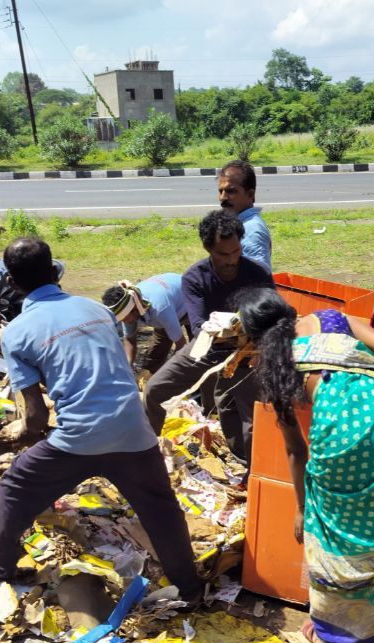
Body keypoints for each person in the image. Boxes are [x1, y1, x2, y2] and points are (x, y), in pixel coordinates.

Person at [0, 237, 202, 600]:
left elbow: (35, 417)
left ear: (11, 281)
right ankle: (190, 589)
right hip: (134, 429)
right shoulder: (96, 310)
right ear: (54, 270)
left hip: (78, 439)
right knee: (161, 510)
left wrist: (19, 433)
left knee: (14, 489)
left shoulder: (17, 332)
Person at [238, 288, 374, 643]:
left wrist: (303, 510)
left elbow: (296, 451)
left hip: (343, 445)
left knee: (335, 535)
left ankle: (333, 636)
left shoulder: (276, 367)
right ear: (289, 310)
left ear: (254, 336)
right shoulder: (332, 319)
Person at [142, 210, 274, 463]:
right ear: (208, 249)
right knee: (155, 390)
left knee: (247, 413)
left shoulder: (256, 274)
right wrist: (227, 326)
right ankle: (147, 459)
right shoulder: (194, 277)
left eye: (236, 252)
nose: (232, 260)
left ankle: (250, 469)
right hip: (208, 346)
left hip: (249, 350)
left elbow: (271, 315)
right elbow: (199, 325)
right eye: (224, 254)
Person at [102, 273, 188, 375]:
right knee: (156, 353)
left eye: (124, 319)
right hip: (169, 307)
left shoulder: (160, 309)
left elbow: (181, 345)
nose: (123, 322)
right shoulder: (131, 306)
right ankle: (150, 376)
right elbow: (130, 339)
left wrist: (170, 374)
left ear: (134, 309)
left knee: (199, 349)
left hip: (192, 301)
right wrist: (128, 368)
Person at [218, 160, 272, 272]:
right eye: (220, 191)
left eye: (230, 191)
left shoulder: (251, 230)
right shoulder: (239, 224)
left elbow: (259, 281)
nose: (223, 198)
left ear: (250, 194)